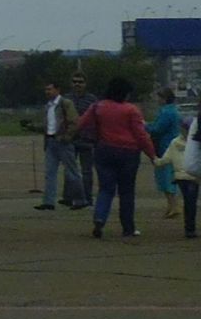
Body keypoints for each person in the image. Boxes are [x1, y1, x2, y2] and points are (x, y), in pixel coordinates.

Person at [76, 75, 154, 240]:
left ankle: (99, 218)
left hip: (104, 151)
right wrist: (153, 155)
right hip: (128, 153)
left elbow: (81, 124)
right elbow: (141, 136)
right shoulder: (131, 110)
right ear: (125, 93)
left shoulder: (97, 106)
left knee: (105, 189)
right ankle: (128, 228)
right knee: (126, 192)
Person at [36, 80, 87, 211]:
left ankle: (81, 199)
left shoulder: (65, 103)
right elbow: (48, 125)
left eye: (50, 89)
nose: (47, 92)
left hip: (63, 142)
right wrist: (33, 127)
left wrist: (67, 137)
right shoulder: (48, 106)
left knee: (72, 172)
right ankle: (48, 202)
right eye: (46, 89)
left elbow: (74, 122)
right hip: (51, 141)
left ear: (57, 90)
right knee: (50, 172)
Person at [147, 86, 183, 220]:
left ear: (165, 98)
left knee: (165, 177)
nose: (157, 99)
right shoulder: (174, 111)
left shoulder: (166, 113)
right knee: (170, 176)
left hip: (165, 147)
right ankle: (171, 206)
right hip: (172, 146)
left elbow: (157, 129)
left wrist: (144, 125)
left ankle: (174, 206)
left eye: (159, 97)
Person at [165, 110, 199, 240]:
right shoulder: (194, 143)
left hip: (183, 176)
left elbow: (167, 157)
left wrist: (156, 160)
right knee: (190, 202)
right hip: (189, 177)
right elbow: (167, 157)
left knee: (189, 202)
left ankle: (189, 227)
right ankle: (190, 228)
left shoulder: (175, 142)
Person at [68, 73, 100, 205]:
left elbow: (97, 117)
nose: (77, 84)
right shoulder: (66, 99)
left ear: (85, 84)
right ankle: (70, 197)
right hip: (70, 139)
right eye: (75, 82)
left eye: (80, 82)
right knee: (70, 170)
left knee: (87, 171)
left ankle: (87, 197)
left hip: (87, 139)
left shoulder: (92, 99)